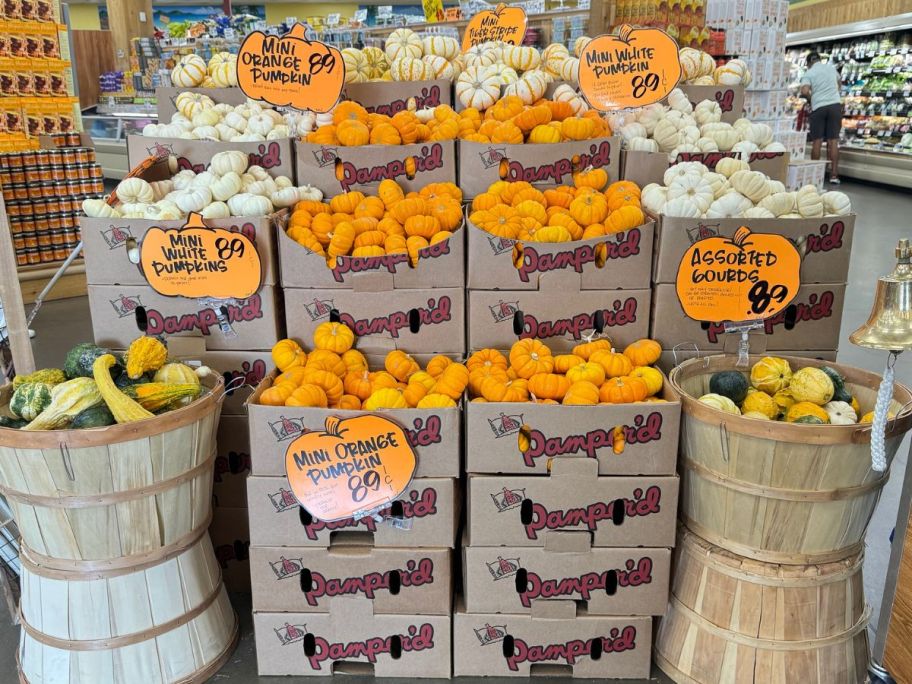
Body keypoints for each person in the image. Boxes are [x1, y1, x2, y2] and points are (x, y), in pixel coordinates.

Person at [800, 51, 843, 184]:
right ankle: (834, 175)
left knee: (817, 141)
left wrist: (811, 98)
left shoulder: (809, 73)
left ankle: (815, 176)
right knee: (833, 142)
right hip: (835, 106)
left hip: (819, 107)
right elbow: (839, 84)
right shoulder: (831, 69)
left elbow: (804, 91)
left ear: (808, 63)